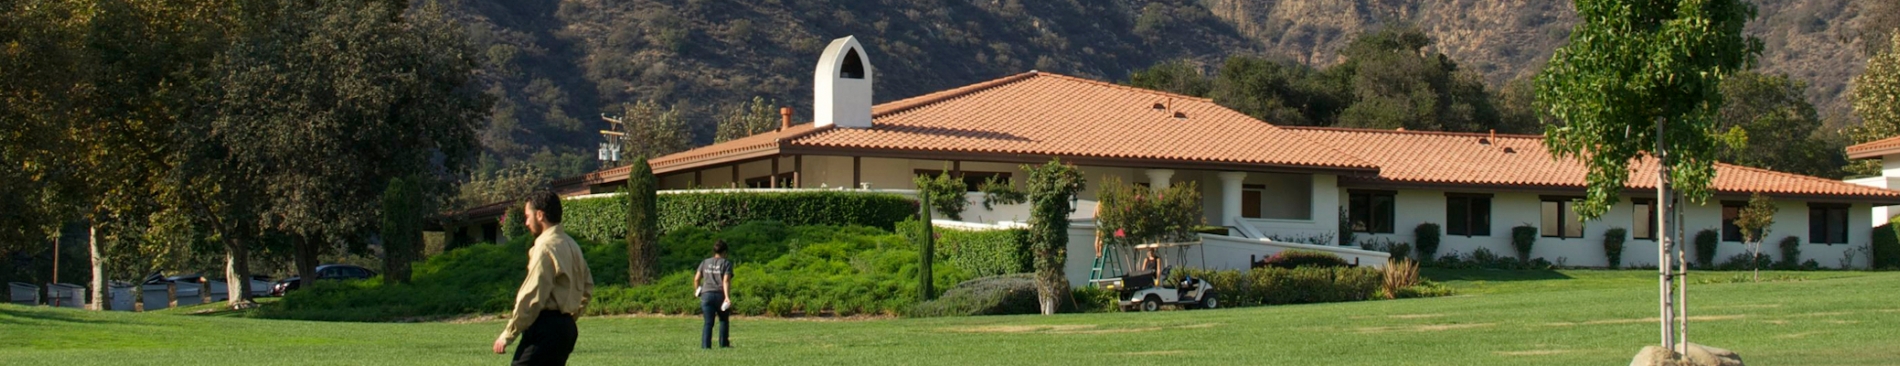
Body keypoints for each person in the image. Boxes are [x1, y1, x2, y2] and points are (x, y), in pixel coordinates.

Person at [493, 190, 595, 365]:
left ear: (540, 215)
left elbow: (532, 296)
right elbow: (587, 286)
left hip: (545, 328)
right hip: (566, 327)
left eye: (528, 216)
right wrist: (569, 318)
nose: (526, 222)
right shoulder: (572, 245)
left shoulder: (545, 247)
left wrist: (508, 334)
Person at [693, 240, 734, 349]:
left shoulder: (705, 262)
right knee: (723, 320)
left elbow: (696, 278)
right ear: (725, 252)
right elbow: (725, 281)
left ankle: (706, 346)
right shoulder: (726, 263)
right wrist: (727, 297)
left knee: (708, 322)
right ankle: (723, 344)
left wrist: (697, 290)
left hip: (706, 295)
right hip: (719, 295)